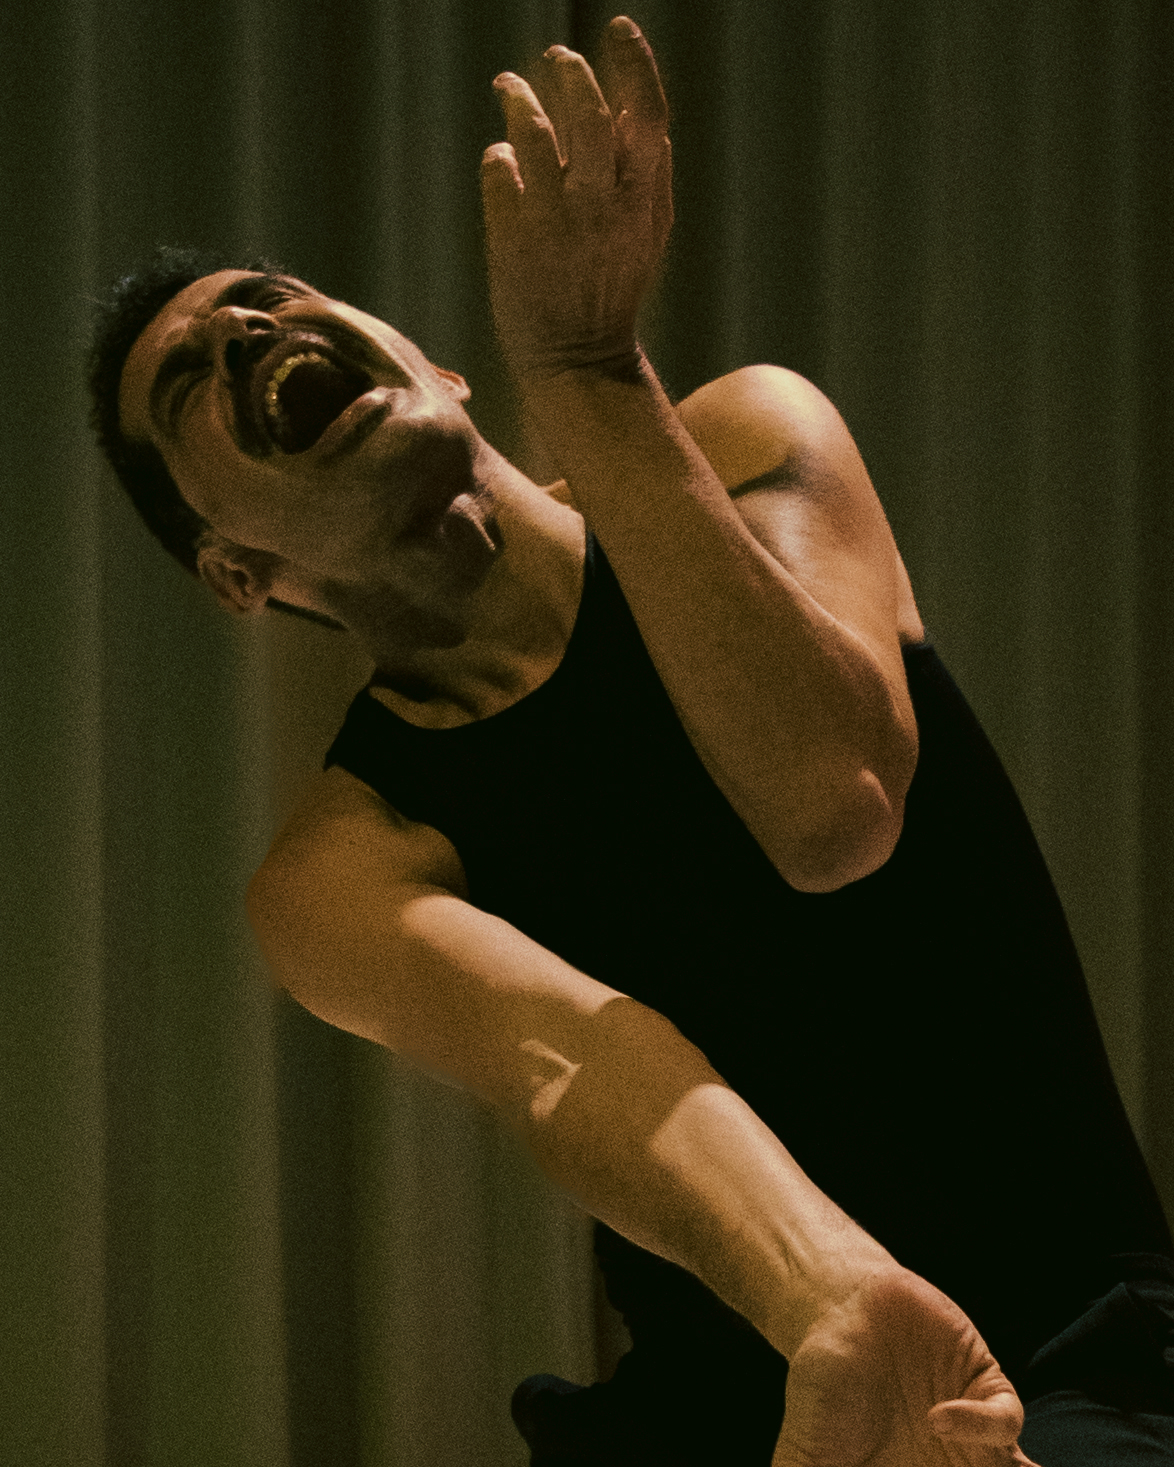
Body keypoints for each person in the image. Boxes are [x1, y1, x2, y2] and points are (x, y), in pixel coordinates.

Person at [90, 17, 1174, 1467]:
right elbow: (574, 1064)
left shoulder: (748, 437)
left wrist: (588, 368)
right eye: (189, 385)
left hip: (1084, 1340)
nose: (246, 336)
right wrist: (837, 1301)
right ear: (237, 572)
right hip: (747, 1390)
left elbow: (833, 807)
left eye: (271, 302)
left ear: (440, 369)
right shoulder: (344, 868)